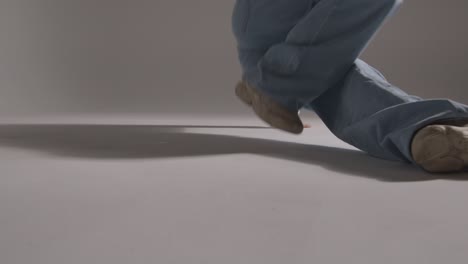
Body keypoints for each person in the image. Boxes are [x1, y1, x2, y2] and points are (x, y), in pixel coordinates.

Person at [231, 0, 468, 173]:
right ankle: (279, 85)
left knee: (340, 80)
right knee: (328, 72)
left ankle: (422, 133)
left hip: (278, 43)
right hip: (273, 21)